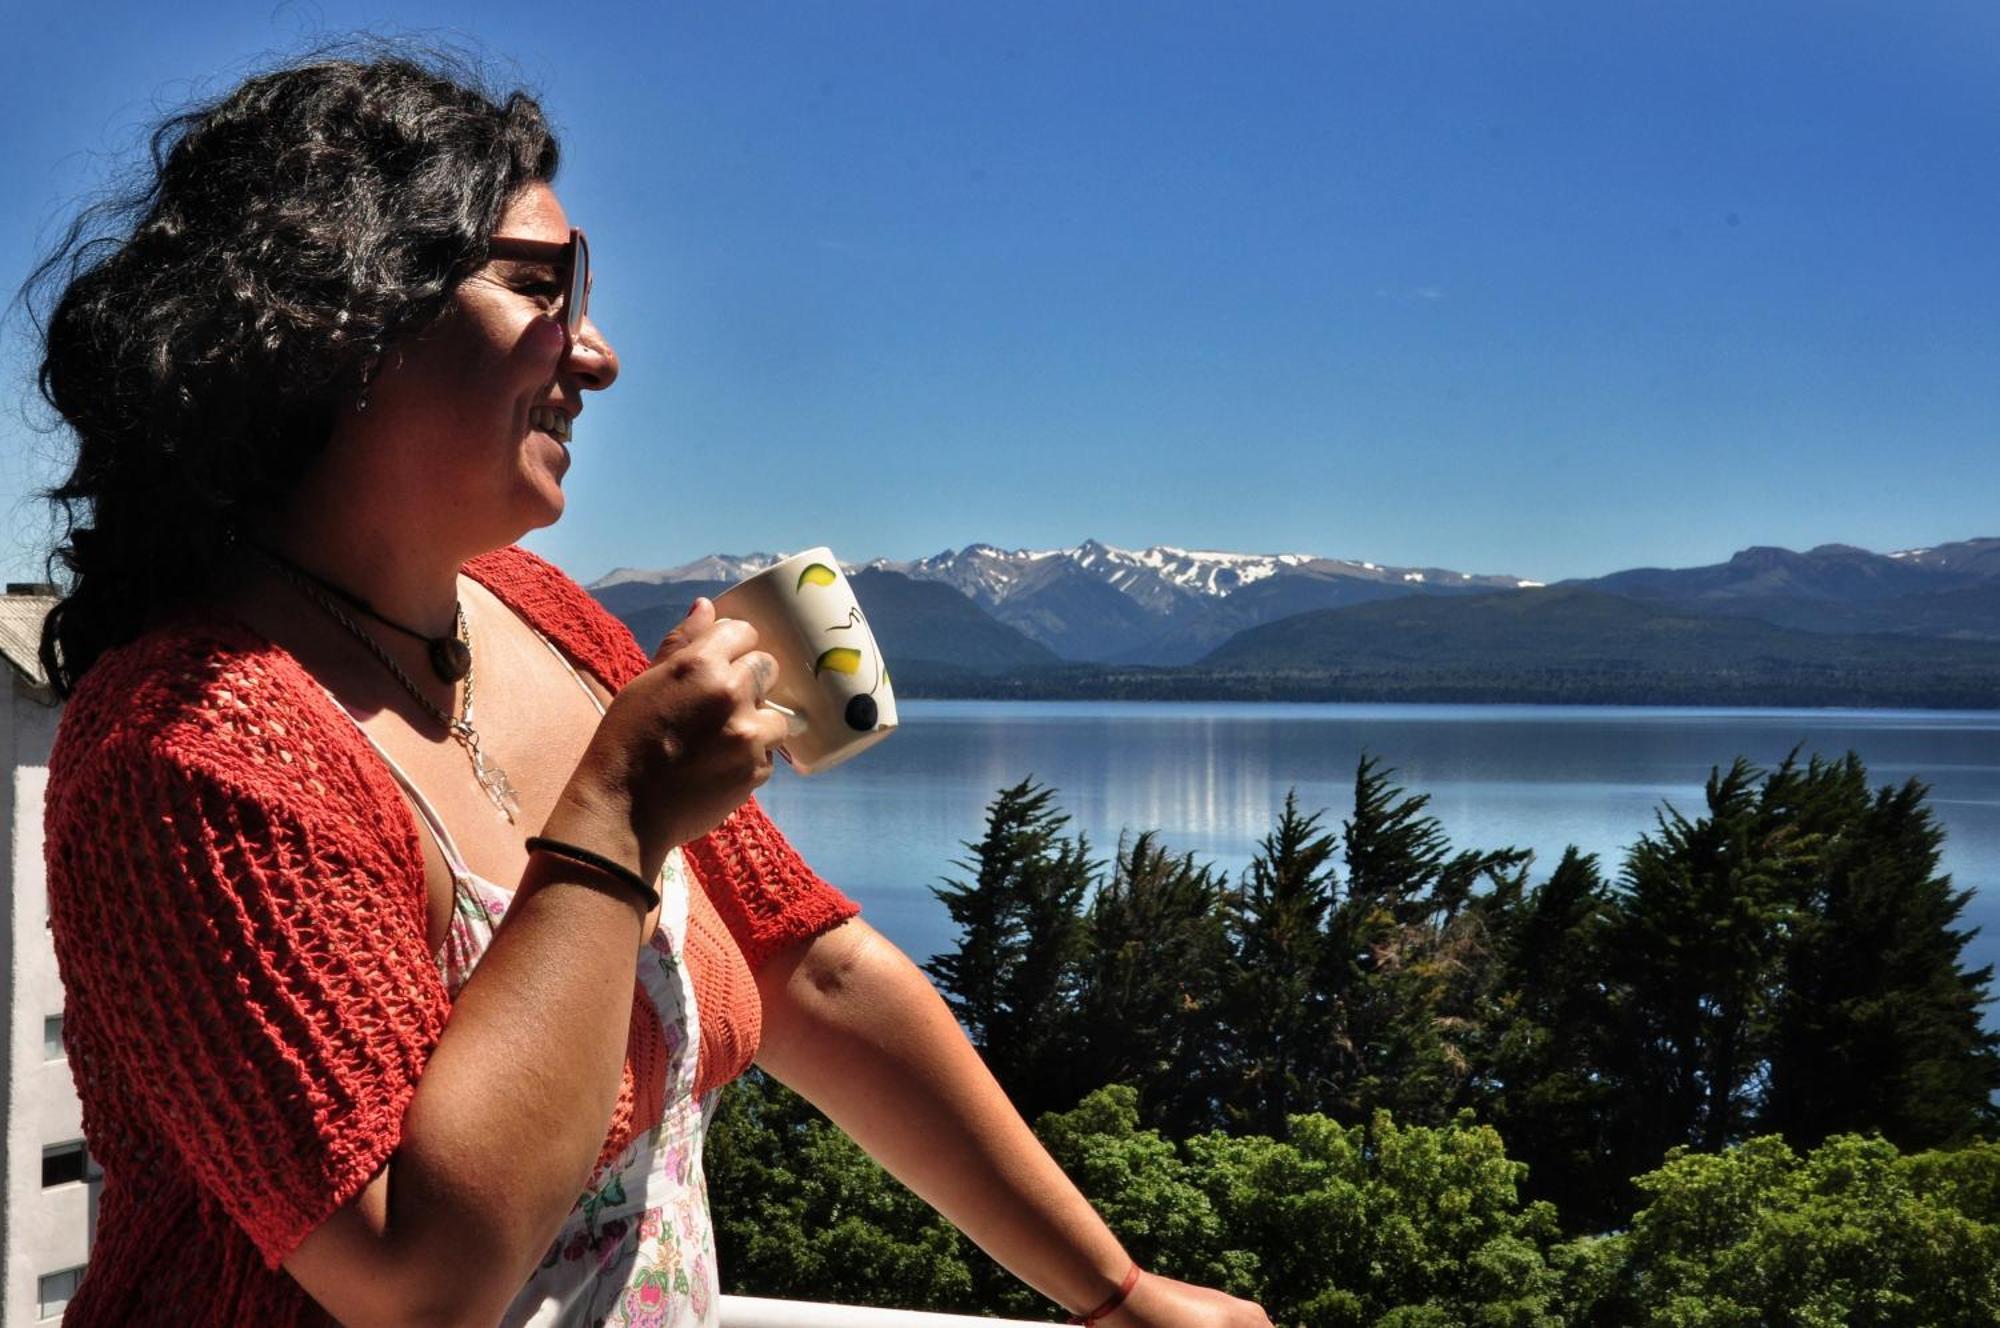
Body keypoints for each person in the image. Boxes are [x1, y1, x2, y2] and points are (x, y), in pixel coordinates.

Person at [27, 48, 1272, 1328]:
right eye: (538, 287)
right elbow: (418, 1281)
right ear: (338, 305)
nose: (600, 354)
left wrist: (1114, 1291)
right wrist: (618, 809)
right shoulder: (187, 749)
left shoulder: (536, 610)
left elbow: (809, 972)